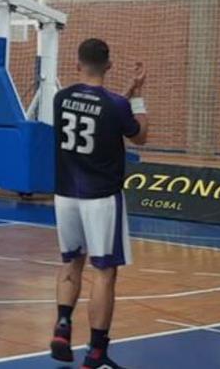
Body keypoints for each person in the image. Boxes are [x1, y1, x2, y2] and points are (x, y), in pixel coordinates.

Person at [50, 39, 148, 369]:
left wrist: (127, 91)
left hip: (64, 195)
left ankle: (63, 326)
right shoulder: (117, 105)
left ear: (77, 64)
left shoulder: (61, 98)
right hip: (101, 198)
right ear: (109, 65)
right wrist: (138, 97)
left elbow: (97, 107)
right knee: (105, 272)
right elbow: (139, 135)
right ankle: (96, 351)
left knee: (71, 263)